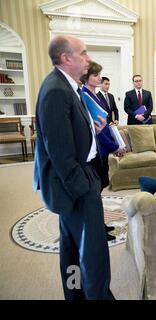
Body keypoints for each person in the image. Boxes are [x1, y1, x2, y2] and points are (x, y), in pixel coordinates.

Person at [33, 35, 114, 299]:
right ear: (67, 58)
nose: (88, 59)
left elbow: (69, 133)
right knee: (93, 255)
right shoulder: (57, 90)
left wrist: (94, 130)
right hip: (75, 185)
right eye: (84, 53)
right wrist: (84, 189)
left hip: (75, 180)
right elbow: (58, 151)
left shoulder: (68, 86)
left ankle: (75, 295)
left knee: (71, 249)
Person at [80, 62, 127, 241]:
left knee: (98, 192)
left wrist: (116, 144)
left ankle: (100, 225)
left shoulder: (96, 96)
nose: (100, 78)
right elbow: (96, 131)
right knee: (93, 194)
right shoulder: (84, 96)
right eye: (96, 75)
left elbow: (105, 126)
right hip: (95, 151)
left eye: (100, 74)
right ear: (86, 78)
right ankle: (95, 230)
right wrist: (115, 146)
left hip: (103, 150)